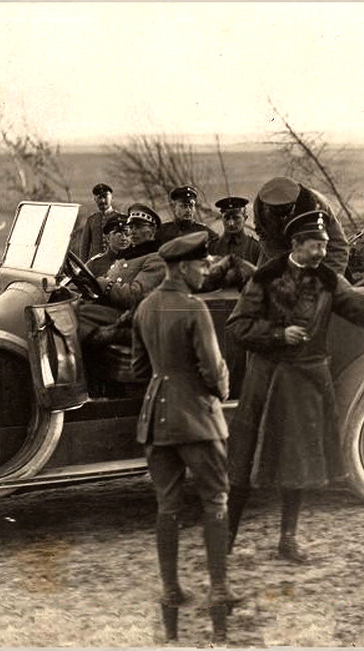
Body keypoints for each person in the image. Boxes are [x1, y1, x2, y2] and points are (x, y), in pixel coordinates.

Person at [225, 209, 364, 564]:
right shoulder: (266, 277)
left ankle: (287, 539)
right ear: (296, 245)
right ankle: (225, 538)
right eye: (315, 246)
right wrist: (277, 334)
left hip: (305, 383)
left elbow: (362, 306)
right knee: (243, 463)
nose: (322, 253)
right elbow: (238, 325)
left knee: (299, 466)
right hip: (268, 382)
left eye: (324, 245)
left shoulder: (329, 280)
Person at [131, 231, 241, 643]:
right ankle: (219, 588)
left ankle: (171, 590)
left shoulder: (145, 306)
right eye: (201, 264)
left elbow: (139, 371)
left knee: (168, 506)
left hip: (156, 421)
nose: (207, 269)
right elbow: (214, 370)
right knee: (216, 499)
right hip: (196, 417)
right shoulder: (193, 307)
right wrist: (221, 391)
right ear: (181, 267)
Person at [77, 203, 167, 348]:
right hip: (114, 309)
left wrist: (104, 284)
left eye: (138, 227)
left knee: (75, 316)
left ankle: (78, 366)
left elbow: (134, 296)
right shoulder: (128, 255)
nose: (132, 232)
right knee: (73, 308)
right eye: (131, 227)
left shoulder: (156, 258)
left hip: (130, 316)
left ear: (152, 230)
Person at [252, 176, 350, 275]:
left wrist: (328, 280)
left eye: (286, 209)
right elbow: (265, 238)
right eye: (276, 210)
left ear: (295, 203)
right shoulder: (261, 212)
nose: (283, 216)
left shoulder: (317, 206)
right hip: (277, 251)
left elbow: (338, 246)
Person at [205, 196, 262, 291]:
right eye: (227, 218)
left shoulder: (255, 248)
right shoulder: (212, 247)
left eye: (236, 218)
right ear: (221, 219)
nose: (231, 223)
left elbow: (261, 280)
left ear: (245, 218)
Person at [73, 183, 127, 261]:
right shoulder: (91, 220)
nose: (102, 201)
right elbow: (84, 247)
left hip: (116, 263)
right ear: (95, 199)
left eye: (105, 197)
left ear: (112, 198)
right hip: (96, 265)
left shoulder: (121, 219)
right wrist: (83, 267)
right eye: (99, 198)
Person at [86, 212, 131, 276]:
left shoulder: (137, 262)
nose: (124, 238)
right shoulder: (95, 264)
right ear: (108, 238)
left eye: (127, 234)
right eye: (119, 235)